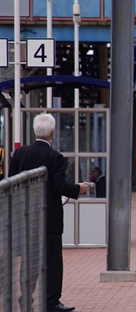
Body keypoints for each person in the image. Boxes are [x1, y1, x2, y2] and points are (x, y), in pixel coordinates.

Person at [9, 113, 88, 312]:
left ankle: (25, 297)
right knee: (52, 261)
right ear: (52, 133)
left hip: (25, 214)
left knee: (29, 258)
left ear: (35, 131)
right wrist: (79, 188)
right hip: (49, 216)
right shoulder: (55, 157)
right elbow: (60, 186)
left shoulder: (19, 154)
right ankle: (51, 301)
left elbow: (10, 181)